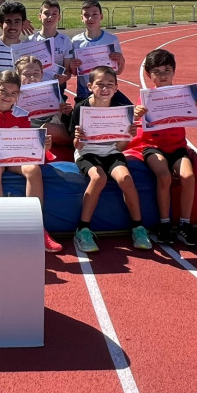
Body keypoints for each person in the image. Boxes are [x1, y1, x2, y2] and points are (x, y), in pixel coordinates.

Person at [129, 49, 197, 249]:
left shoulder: (184, 94)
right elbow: (136, 120)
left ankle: (184, 224)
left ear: (174, 71)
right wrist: (137, 114)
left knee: (188, 177)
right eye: (157, 71)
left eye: (167, 70)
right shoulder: (147, 97)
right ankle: (164, 224)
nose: (163, 75)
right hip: (152, 146)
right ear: (149, 75)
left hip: (177, 147)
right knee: (163, 176)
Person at [69, 66, 149, 253]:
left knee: (126, 179)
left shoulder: (120, 110)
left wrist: (127, 137)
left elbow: (120, 148)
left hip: (111, 152)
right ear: (89, 86)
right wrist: (79, 138)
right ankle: (83, 229)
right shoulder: (81, 108)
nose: (105, 88)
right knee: (99, 178)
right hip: (86, 152)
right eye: (100, 84)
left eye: (109, 85)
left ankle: (138, 227)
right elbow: (77, 146)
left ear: (116, 87)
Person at [0, 71, 62, 253]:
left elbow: (28, 144)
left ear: (18, 96)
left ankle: (38, 227)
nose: (8, 97)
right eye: (3, 91)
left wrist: (43, 146)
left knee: (33, 169)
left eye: (13, 93)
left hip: (17, 158)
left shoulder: (23, 115)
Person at [71, 0, 125, 101]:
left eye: (94, 14)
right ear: (81, 18)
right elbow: (74, 72)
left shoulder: (112, 40)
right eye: (86, 15)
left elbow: (118, 71)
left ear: (101, 16)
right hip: (84, 92)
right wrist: (73, 66)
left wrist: (122, 61)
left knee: (128, 111)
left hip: (107, 92)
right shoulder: (76, 41)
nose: (90, 18)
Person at [14, 55, 72, 147]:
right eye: (27, 74)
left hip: (50, 130)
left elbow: (62, 118)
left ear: (42, 74)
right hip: (27, 132)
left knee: (47, 128)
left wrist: (65, 110)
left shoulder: (51, 89)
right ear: (18, 75)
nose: (32, 77)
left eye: (36, 73)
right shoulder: (14, 93)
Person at [24, 0, 74, 87]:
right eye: (46, 13)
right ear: (39, 16)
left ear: (59, 17)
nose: (50, 17)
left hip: (57, 87)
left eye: (54, 14)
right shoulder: (30, 40)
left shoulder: (65, 41)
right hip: (35, 85)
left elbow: (67, 71)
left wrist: (64, 77)